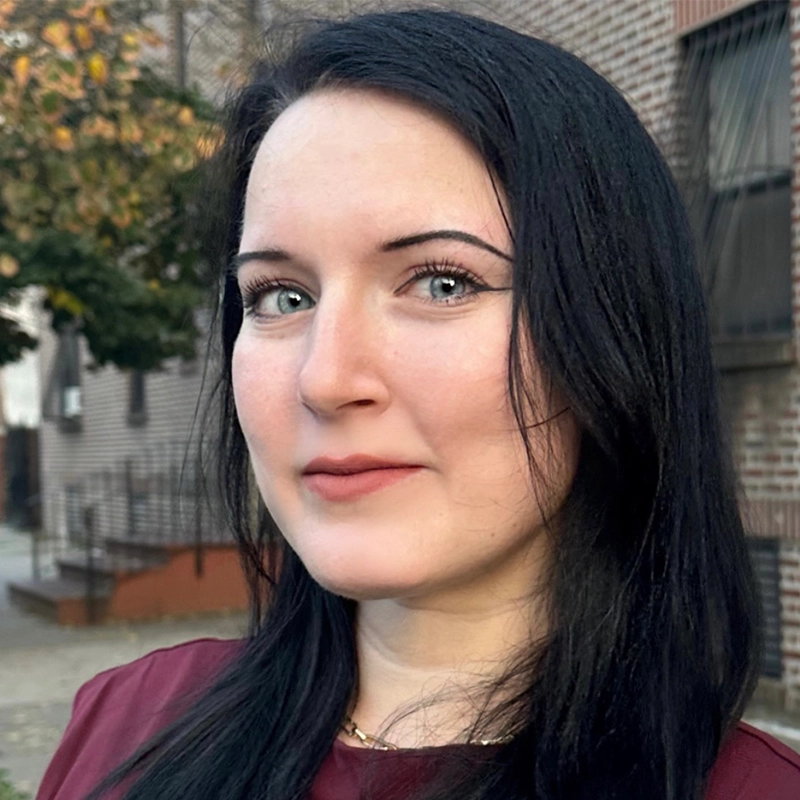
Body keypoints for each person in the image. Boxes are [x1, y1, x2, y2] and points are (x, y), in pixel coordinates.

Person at [36, 7, 800, 800]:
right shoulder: (126, 726)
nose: (325, 379)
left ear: (613, 334)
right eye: (282, 295)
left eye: (442, 282)